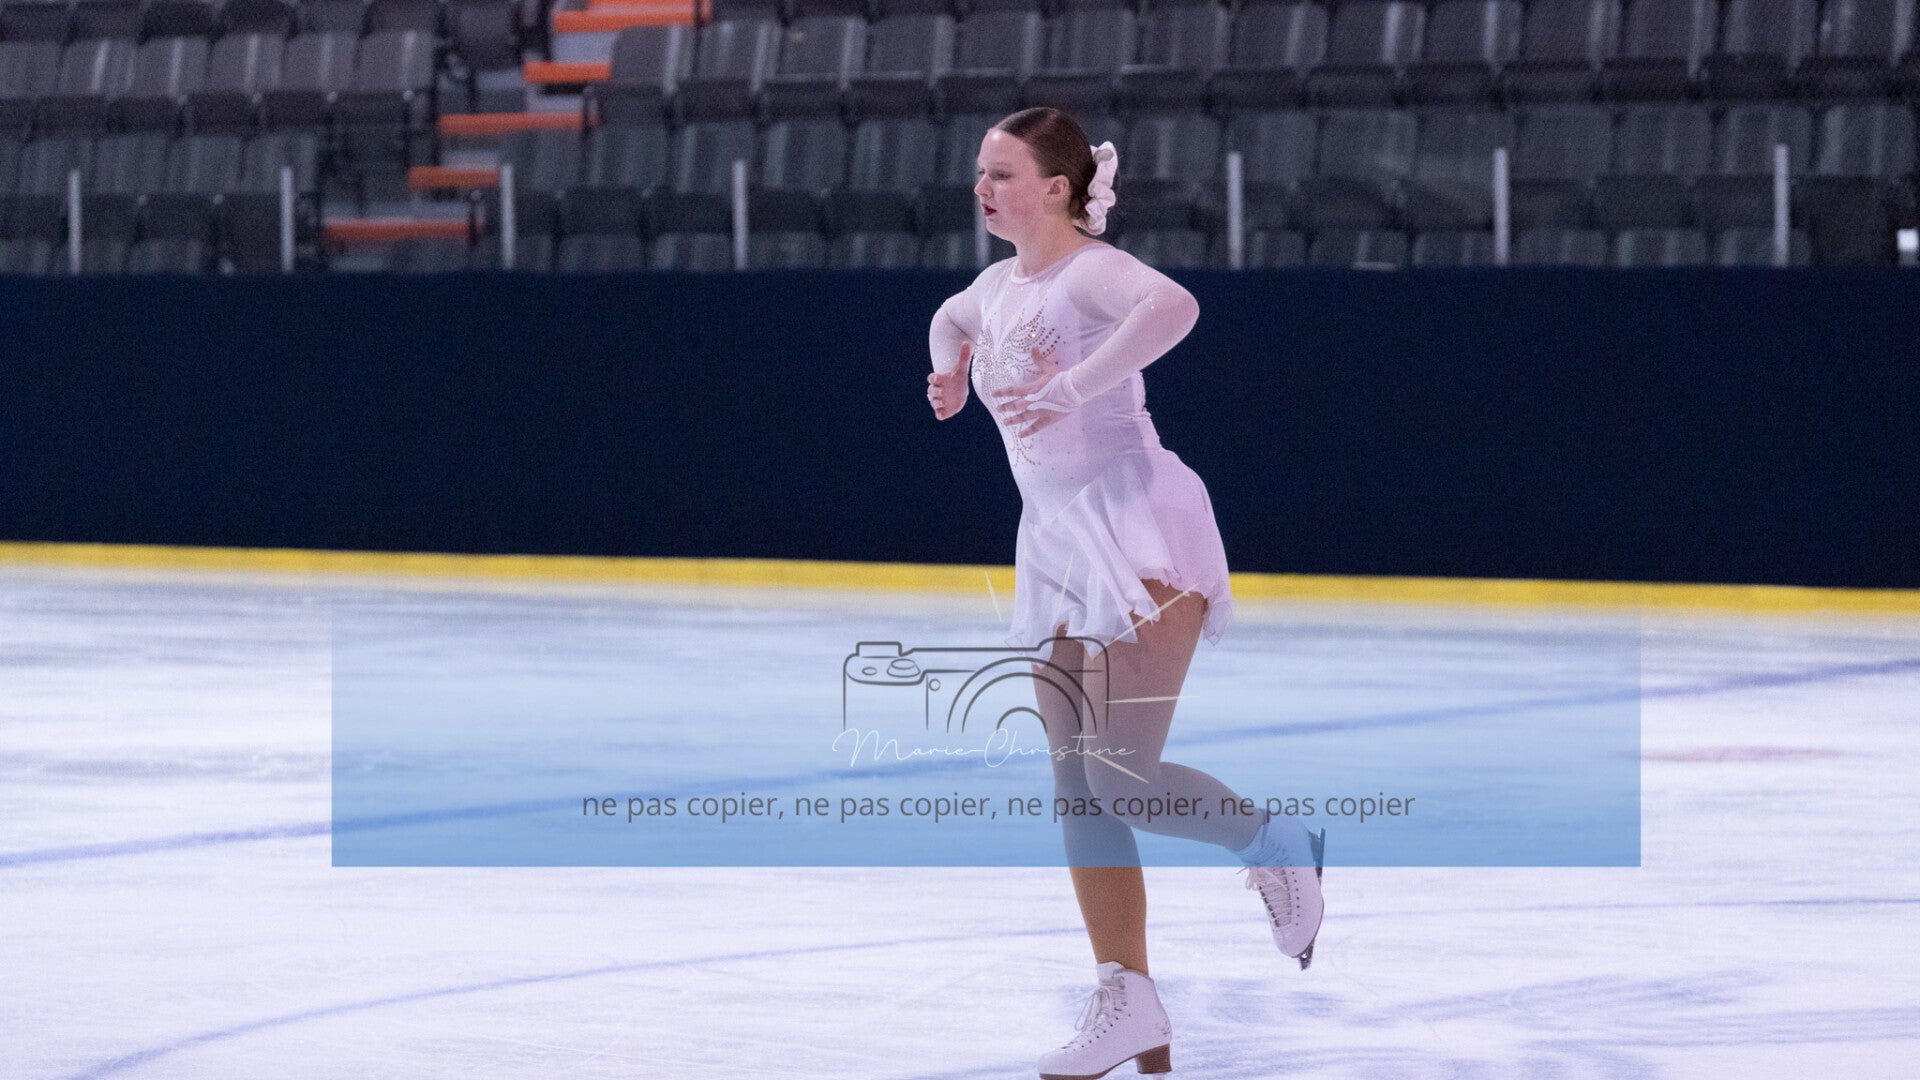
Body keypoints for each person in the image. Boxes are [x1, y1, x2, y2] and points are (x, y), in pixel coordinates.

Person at [925, 107, 1327, 1080]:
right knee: (1078, 786)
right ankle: (1128, 998)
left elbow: (1173, 308)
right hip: (1055, 545)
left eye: (1003, 173)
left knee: (1120, 776)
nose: (983, 188)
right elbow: (951, 318)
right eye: (980, 172)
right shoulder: (994, 286)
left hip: (1136, 523)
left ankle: (1275, 842)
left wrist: (1078, 385)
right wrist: (948, 371)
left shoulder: (1090, 272)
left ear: (1058, 188)